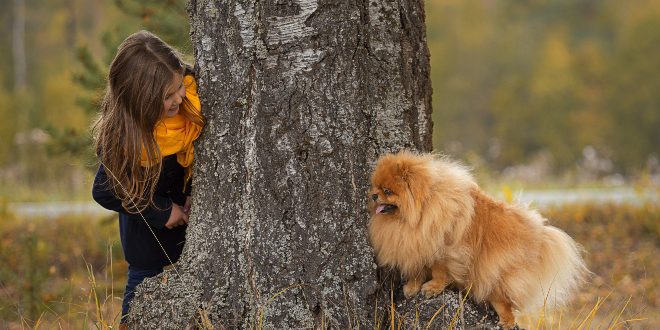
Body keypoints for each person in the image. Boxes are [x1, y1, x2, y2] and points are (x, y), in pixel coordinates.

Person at [91, 30, 204, 325]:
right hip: (149, 251)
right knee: (137, 315)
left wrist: (196, 190)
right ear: (142, 100)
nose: (179, 96)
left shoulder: (190, 105)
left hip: (197, 243)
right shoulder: (122, 138)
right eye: (168, 95)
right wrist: (162, 211)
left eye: (179, 86)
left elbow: (201, 158)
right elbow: (105, 191)